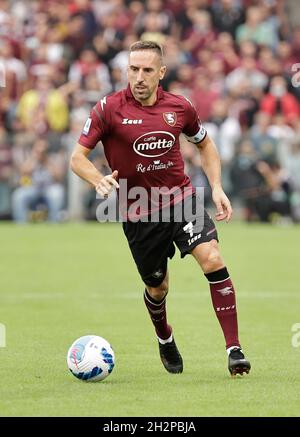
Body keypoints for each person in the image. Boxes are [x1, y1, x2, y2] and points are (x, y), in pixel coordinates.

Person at [70, 41, 251, 376]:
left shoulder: (180, 107)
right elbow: (77, 158)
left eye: (147, 70)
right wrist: (98, 179)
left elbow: (206, 145)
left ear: (161, 73)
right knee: (158, 287)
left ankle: (234, 349)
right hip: (138, 212)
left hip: (182, 200)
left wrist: (216, 186)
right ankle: (164, 336)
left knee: (212, 257)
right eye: (133, 69)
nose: (139, 77)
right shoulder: (108, 109)